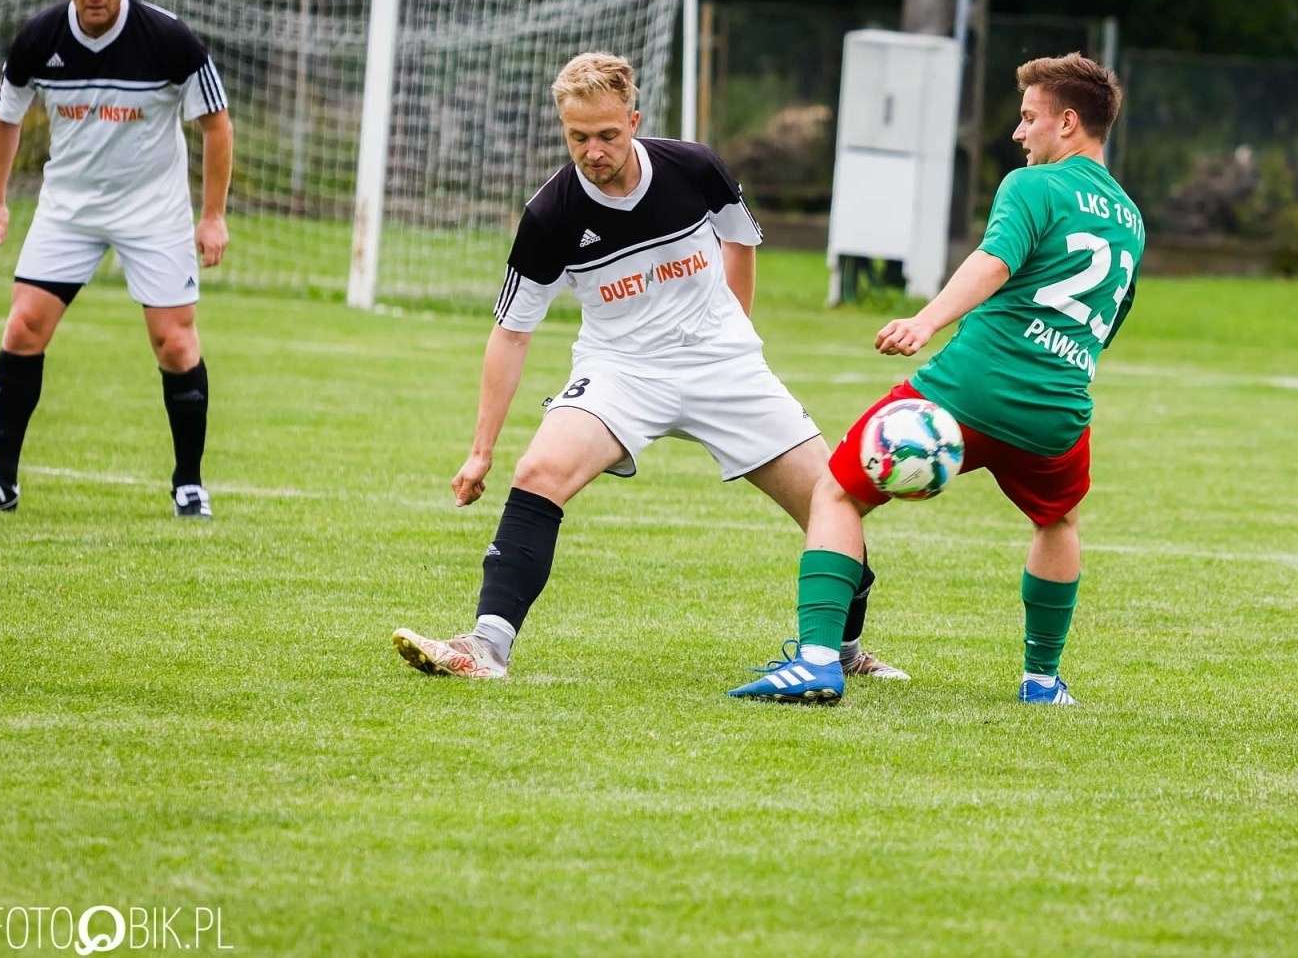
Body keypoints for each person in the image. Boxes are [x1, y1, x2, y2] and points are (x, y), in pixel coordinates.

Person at [391, 51, 903, 681]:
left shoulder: (695, 168)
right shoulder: (550, 216)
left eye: (608, 134)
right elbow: (511, 334)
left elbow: (740, 240)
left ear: (633, 119)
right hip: (621, 370)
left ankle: (843, 651)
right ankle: (485, 647)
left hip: (723, 365)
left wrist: (737, 334)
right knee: (540, 469)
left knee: (833, 498)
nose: (594, 150)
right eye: (579, 137)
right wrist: (480, 450)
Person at [730, 53, 1143, 706]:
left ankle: (815, 661)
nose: (1017, 133)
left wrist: (926, 321)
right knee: (1057, 521)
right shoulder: (1130, 219)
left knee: (837, 490)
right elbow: (1109, 321)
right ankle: (1042, 682)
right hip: (1060, 407)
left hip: (968, 388)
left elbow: (993, 261)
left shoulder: (1033, 187)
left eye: (1028, 118)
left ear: (1067, 123)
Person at [0, 0, 232, 517]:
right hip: (69, 208)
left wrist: (212, 215)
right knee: (21, 329)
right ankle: (3, 479)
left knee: (174, 342)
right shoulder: (40, 38)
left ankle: (188, 483)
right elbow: (5, 120)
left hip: (154, 210)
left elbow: (216, 125)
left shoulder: (169, 40)